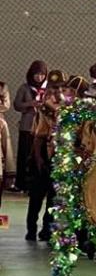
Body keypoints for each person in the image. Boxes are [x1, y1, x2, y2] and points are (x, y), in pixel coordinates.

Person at [25, 72, 65, 242]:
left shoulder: (66, 110)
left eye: (61, 88)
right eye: (54, 88)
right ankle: (31, 230)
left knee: (53, 198)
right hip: (42, 157)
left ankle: (47, 230)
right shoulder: (43, 111)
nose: (57, 92)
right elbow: (38, 138)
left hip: (59, 156)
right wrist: (39, 160)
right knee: (36, 197)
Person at [13, 60, 47, 193]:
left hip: (43, 127)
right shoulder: (25, 88)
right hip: (27, 126)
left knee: (40, 156)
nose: (39, 77)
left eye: (42, 74)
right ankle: (21, 184)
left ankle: (38, 184)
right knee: (24, 154)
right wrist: (29, 104)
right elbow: (16, 105)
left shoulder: (48, 88)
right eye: (36, 75)